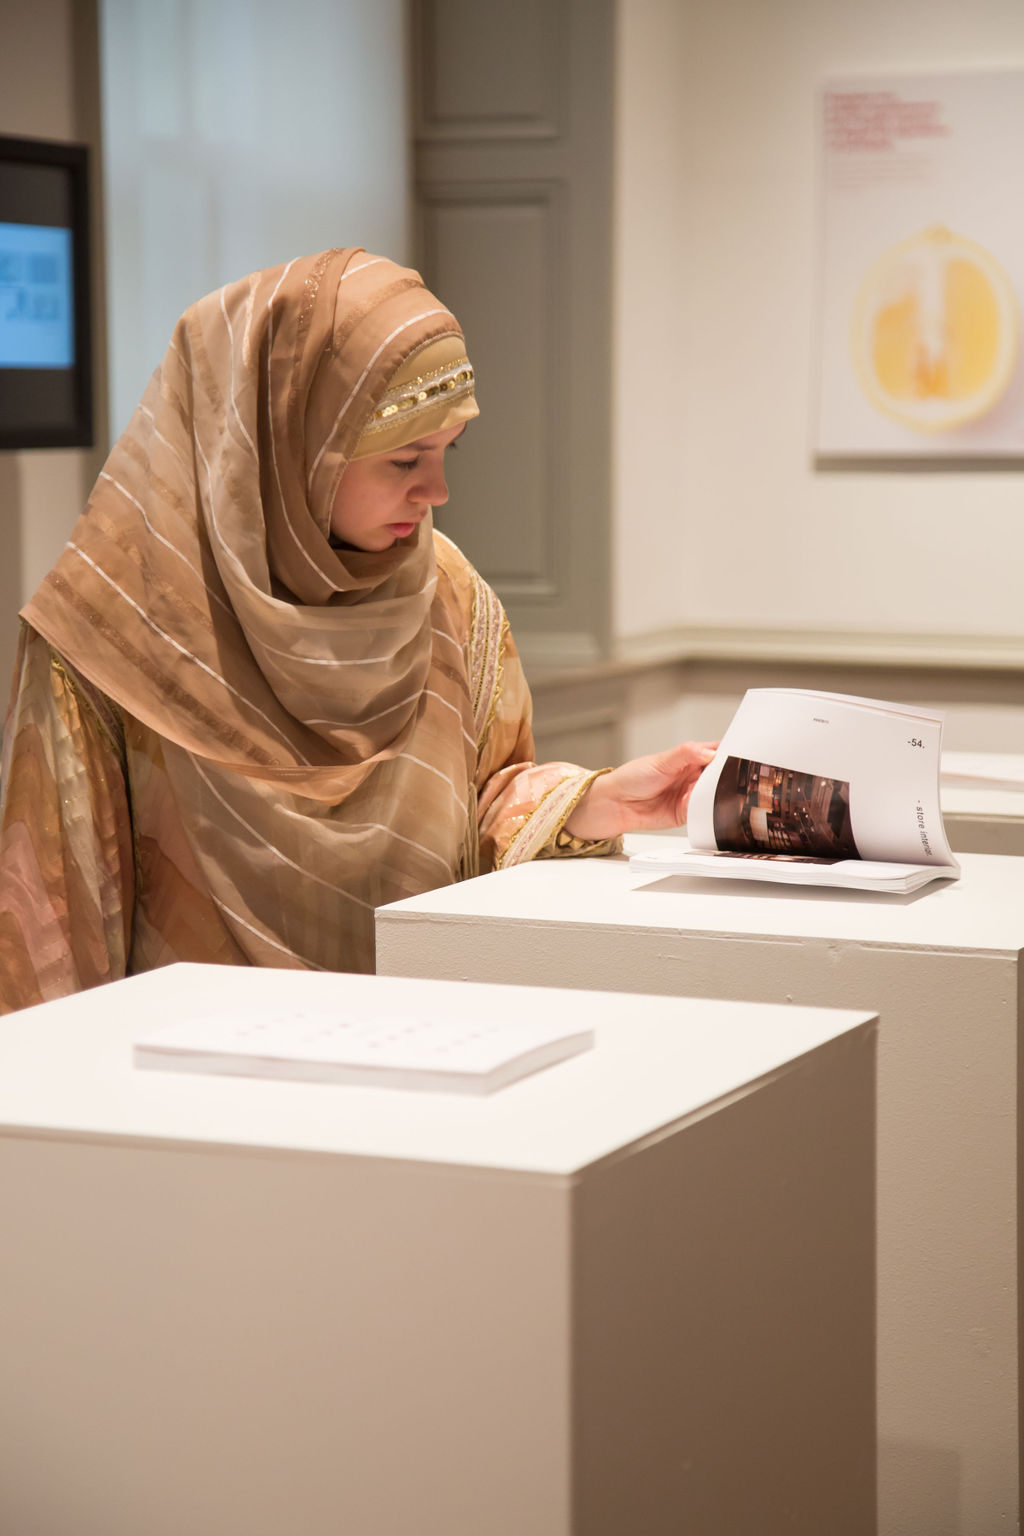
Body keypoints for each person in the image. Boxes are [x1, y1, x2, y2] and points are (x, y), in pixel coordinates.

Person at [0, 248, 713, 1014]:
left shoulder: (446, 591)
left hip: (421, 1057)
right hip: (192, 1091)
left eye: (447, 453)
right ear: (284, 446)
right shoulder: (117, 625)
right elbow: (54, 929)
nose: (435, 491)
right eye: (404, 458)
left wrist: (594, 801)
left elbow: (477, 805)